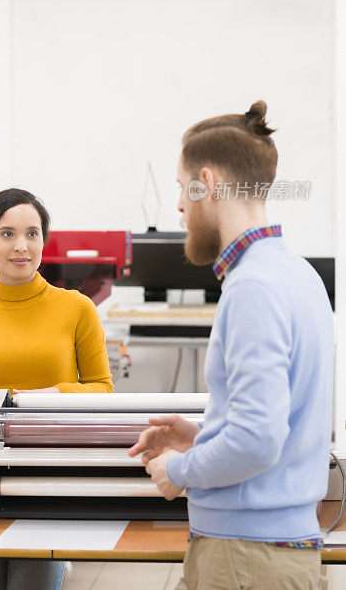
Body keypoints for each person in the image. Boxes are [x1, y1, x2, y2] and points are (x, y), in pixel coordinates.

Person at [129, 101, 333, 590]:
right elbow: (271, 430)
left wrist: (178, 470)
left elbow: (257, 441)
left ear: (209, 182)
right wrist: (203, 436)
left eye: (182, 189)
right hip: (268, 553)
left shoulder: (252, 288)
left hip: (245, 560)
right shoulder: (297, 274)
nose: (179, 206)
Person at [0, 187, 113, 590]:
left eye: (32, 234)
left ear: (44, 242)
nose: (21, 246)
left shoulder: (77, 308)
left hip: (52, 470)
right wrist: (3, 413)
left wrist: (50, 397)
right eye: (7, 234)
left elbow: (102, 389)